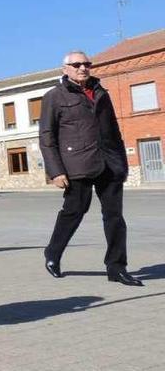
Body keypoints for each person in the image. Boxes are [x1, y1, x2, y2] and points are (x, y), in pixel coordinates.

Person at [41, 51, 142, 287]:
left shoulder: (101, 93)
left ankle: (116, 267)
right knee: (74, 212)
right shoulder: (54, 97)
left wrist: (122, 164)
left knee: (115, 217)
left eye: (87, 64)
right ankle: (53, 254)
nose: (83, 68)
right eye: (76, 64)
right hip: (77, 165)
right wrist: (56, 171)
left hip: (109, 164)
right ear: (65, 69)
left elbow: (114, 130)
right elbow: (46, 137)